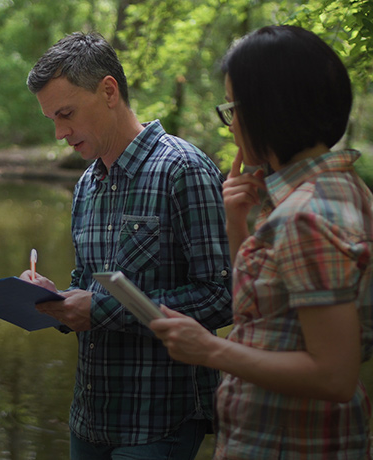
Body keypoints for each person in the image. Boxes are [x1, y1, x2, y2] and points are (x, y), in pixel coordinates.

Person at [150, 25, 373, 458]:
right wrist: (238, 224)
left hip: (289, 443)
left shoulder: (306, 216)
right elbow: (270, 319)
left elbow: (334, 374)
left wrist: (210, 349)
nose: (231, 127)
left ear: (269, 110)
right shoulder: (344, 190)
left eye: (233, 108)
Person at [21, 32, 233, 459]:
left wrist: (98, 310)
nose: (61, 133)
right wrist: (55, 298)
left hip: (159, 419)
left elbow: (221, 297)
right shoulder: (86, 184)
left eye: (66, 114)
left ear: (109, 91)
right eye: (53, 121)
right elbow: (86, 282)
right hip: (89, 416)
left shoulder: (183, 169)